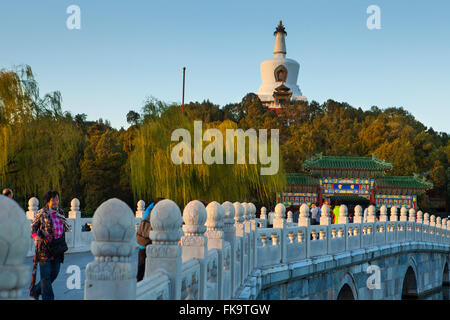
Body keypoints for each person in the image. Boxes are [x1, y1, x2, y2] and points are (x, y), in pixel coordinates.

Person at [30, 190, 71, 300]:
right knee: (46, 276)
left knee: (54, 274)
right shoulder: (42, 212)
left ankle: (36, 291)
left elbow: (64, 229)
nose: (55, 202)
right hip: (44, 248)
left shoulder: (61, 213)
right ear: (48, 201)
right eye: (53, 200)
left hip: (58, 248)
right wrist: (36, 236)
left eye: (57, 199)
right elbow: (33, 227)